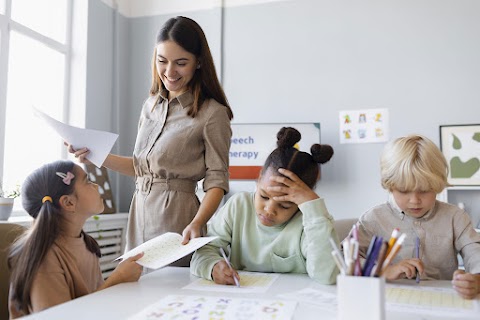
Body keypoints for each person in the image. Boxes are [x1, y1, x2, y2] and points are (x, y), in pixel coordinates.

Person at [67, 16, 233, 266]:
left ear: (198, 62)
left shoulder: (212, 114)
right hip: (140, 211)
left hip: (178, 216)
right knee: (136, 289)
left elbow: (217, 181)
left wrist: (198, 222)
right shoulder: (150, 106)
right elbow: (140, 166)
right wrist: (95, 155)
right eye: (162, 61)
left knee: (171, 294)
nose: (169, 72)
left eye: (181, 63)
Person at [190, 127, 339, 285]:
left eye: (284, 205)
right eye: (264, 196)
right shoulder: (238, 206)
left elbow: (327, 275)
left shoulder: (310, 220)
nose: (269, 210)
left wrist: (313, 207)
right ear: (259, 178)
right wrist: (212, 267)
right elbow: (204, 252)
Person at [349, 134, 480, 299]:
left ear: (437, 185)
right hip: (390, 301)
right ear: (389, 186)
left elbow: (475, 252)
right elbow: (345, 259)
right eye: (404, 191)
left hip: (441, 301)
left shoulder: (455, 217)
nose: (415, 200)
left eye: (425, 190)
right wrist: (383, 270)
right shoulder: (373, 219)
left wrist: (476, 278)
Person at [8, 160, 143, 317]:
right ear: (69, 202)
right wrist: (116, 280)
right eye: (88, 181)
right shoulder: (44, 259)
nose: (96, 186)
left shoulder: (85, 243)